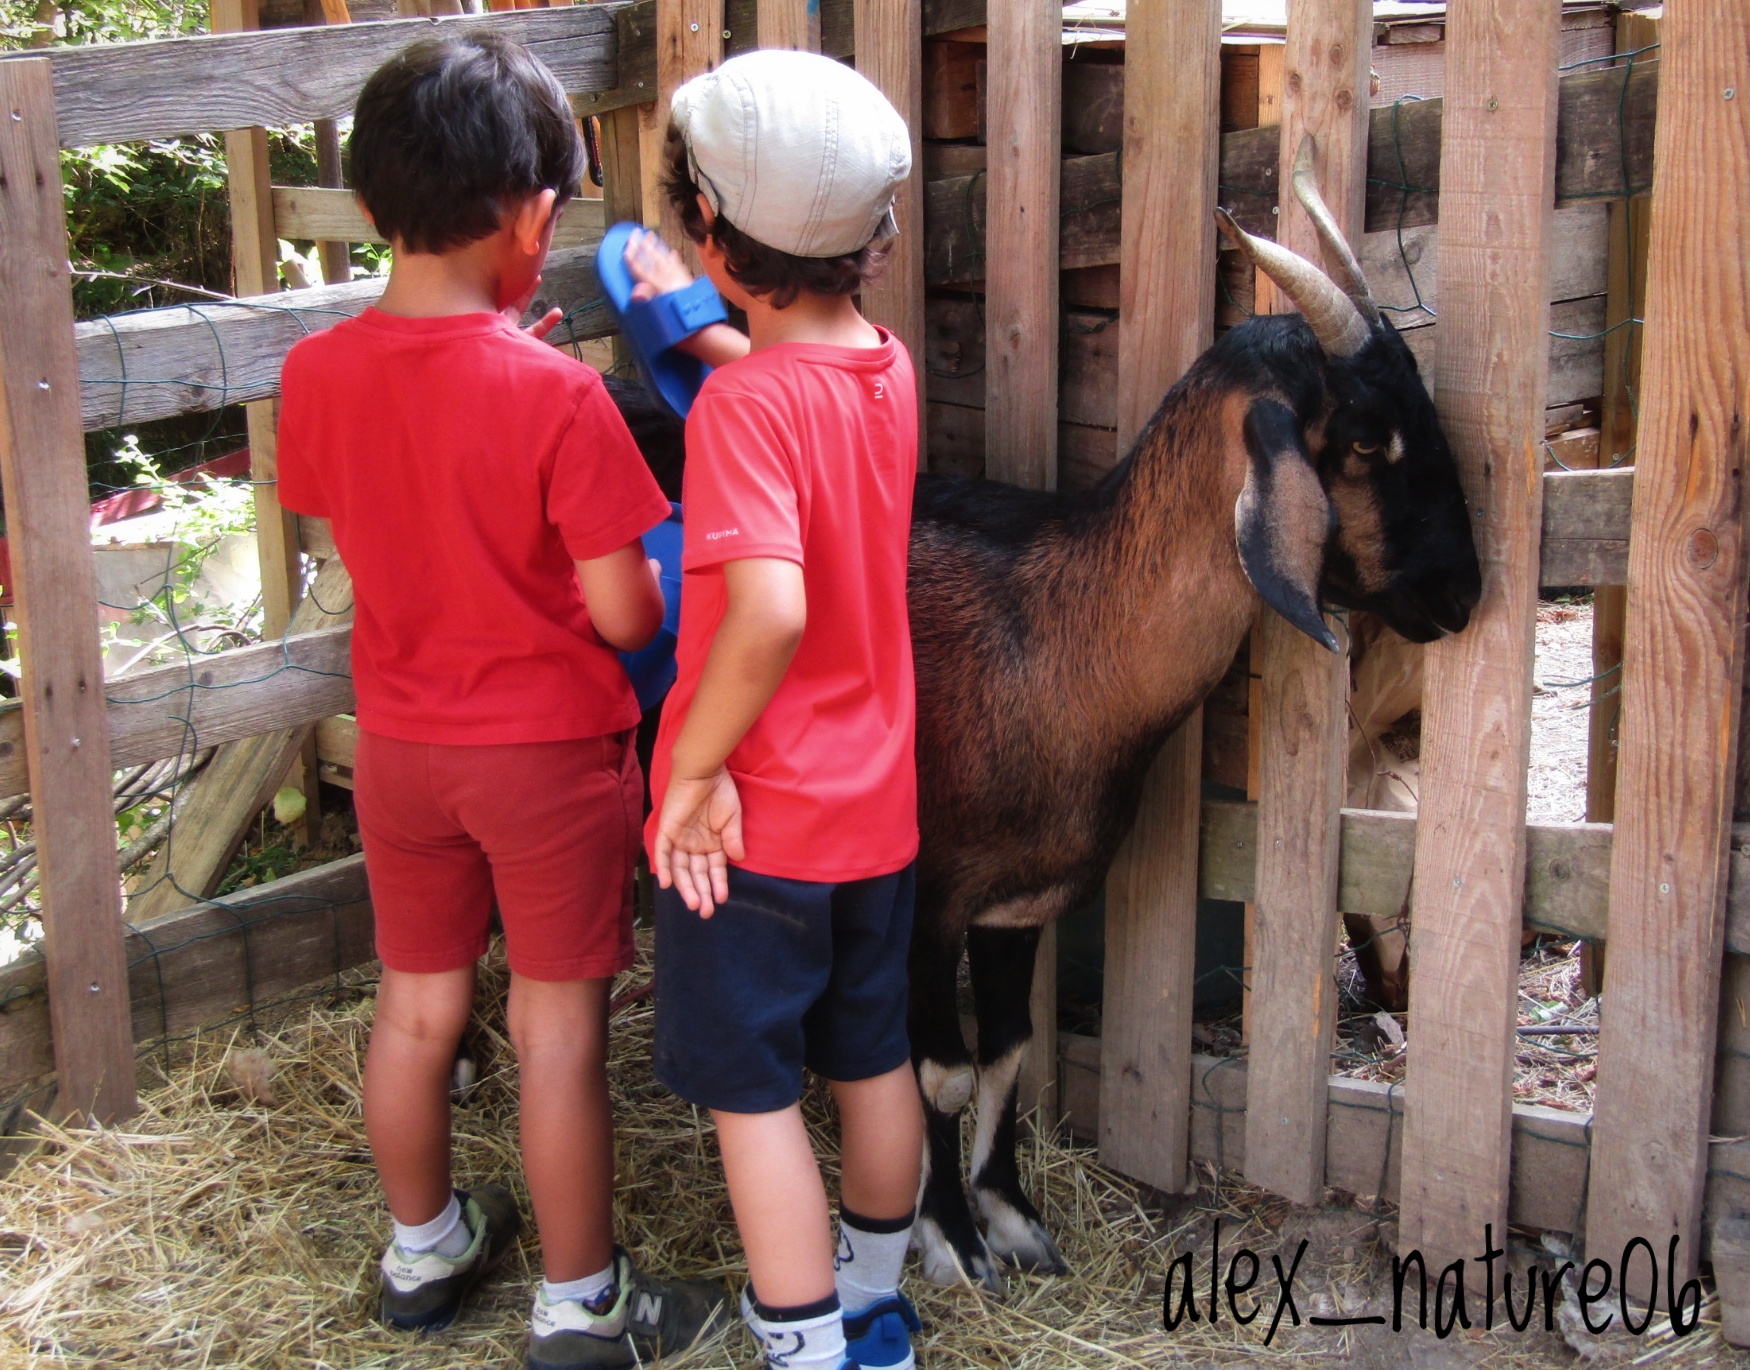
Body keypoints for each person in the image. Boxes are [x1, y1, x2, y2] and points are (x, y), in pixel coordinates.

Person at [274, 32, 725, 1370]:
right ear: (535, 216)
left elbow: (385, 512)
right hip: (541, 759)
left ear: (370, 207)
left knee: (416, 1007)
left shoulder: (316, 375)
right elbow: (621, 615)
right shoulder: (558, 396)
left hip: (403, 749)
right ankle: (580, 1302)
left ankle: (423, 1245)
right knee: (553, 1029)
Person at [626, 48, 928, 1370]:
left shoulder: (742, 408)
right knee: (872, 1052)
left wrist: (688, 770)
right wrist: (698, 323)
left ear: (711, 233)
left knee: (751, 1091)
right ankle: (872, 1303)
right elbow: (796, 386)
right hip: (877, 802)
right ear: (870, 239)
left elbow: (767, 613)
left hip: (758, 822)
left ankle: (800, 1341)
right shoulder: (885, 364)